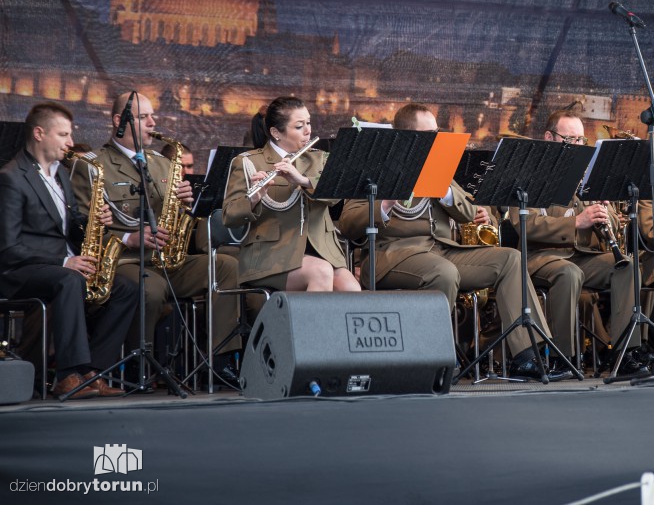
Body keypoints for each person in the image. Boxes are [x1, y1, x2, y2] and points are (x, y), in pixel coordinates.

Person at [338, 103, 564, 380]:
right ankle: (435, 359)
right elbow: (348, 224)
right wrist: (385, 204)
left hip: (442, 251)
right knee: (442, 271)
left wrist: (444, 191)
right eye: (429, 133)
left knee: (510, 259)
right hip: (392, 254)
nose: (436, 138)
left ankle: (526, 356)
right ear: (408, 137)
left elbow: (469, 211)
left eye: (437, 131)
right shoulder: (378, 167)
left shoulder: (438, 164)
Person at [69, 92, 242, 381]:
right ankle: (142, 368)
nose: (152, 123)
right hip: (123, 263)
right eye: (143, 117)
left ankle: (221, 359)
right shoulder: (92, 165)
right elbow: (82, 226)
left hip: (165, 258)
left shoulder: (162, 162)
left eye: (152, 116)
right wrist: (128, 239)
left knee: (227, 267)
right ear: (118, 121)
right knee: (152, 288)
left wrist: (188, 204)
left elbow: (177, 217)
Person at [0, 102, 137, 398]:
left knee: (126, 288)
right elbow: (8, 248)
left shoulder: (61, 174)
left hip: (61, 266)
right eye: (63, 135)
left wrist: (91, 222)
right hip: (19, 271)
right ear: (39, 134)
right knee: (70, 280)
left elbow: (67, 228)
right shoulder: (11, 177)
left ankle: (92, 373)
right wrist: (64, 261)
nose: (71, 143)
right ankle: (67, 374)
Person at [509, 109, 646, 374]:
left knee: (627, 266)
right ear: (549, 137)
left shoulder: (586, 173)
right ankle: (564, 356)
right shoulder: (528, 173)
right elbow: (526, 224)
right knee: (568, 272)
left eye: (581, 140)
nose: (577, 146)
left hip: (582, 254)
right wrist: (576, 223)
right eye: (570, 139)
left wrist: (605, 216)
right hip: (540, 256)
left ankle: (623, 352)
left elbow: (615, 222)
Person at [222, 96, 360, 294]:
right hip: (271, 255)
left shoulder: (318, 159)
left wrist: (303, 180)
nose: (308, 131)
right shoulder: (248, 162)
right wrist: (254, 198)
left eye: (309, 123)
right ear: (276, 132)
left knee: (351, 289)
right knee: (320, 273)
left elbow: (335, 196)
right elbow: (229, 216)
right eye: (299, 126)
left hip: (322, 250)